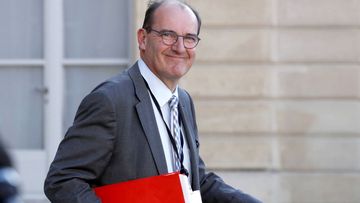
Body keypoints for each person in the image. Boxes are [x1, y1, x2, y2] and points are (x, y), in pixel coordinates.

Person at [44, 0, 262, 202]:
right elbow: (62, 181)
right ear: (142, 38)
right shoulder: (110, 101)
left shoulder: (183, 101)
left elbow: (195, 182)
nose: (179, 47)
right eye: (168, 35)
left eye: (189, 38)